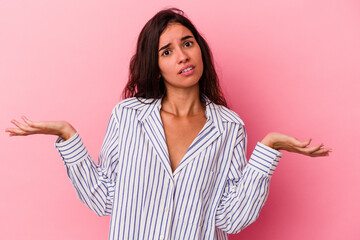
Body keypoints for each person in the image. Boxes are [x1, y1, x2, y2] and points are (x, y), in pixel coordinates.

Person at [6, 8, 331, 240]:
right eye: (167, 51)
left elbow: (232, 219)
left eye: (188, 43)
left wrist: (267, 151)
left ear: (200, 49)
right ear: (156, 65)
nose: (182, 56)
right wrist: (68, 137)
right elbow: (102, 198)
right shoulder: (129, 116)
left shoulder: (229, 127)